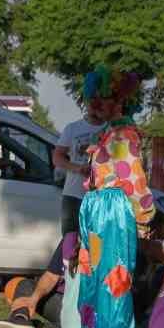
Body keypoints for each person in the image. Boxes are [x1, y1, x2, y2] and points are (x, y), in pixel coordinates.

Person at [74, 67, 155, 328]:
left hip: (112, 209)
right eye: (94, 97)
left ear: (121, 100)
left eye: (104, 98)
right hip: (98, 207)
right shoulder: (110, 132)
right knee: (93, 272)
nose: (96, 104)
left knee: (113, 273)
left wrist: (144, 215)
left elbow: (131, 176)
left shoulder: (123, 134)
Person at [53, 98, 108, 235]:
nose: (96, 106)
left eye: (100, 102)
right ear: (84, 102)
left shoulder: (112, 129)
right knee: (69, 243)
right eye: (92, 101)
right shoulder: (72, 128)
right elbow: (57, 157)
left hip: (101, 196)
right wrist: (77, 168)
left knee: (97, 244)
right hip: (73, 195)